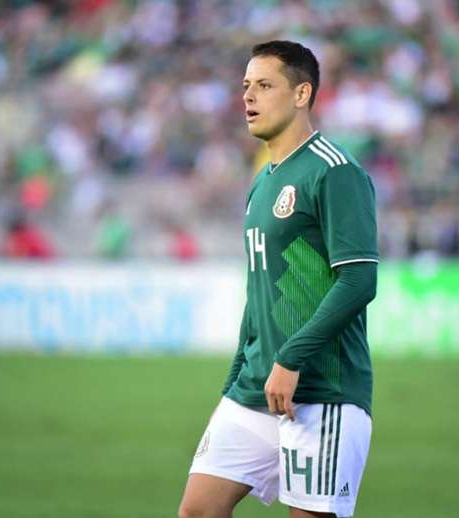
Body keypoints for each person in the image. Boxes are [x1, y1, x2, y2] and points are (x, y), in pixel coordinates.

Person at [179, 41, 378, 518]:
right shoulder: (262, 182)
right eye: (246, 86)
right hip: (255, 388)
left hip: (321, 392)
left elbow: (358, 281)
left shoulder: (335, 171)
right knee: (196, 512)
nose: (248, 96)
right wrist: (234, 378)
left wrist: (290, 357)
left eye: (265, 85)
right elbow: (260, 292)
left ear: (301, 93)